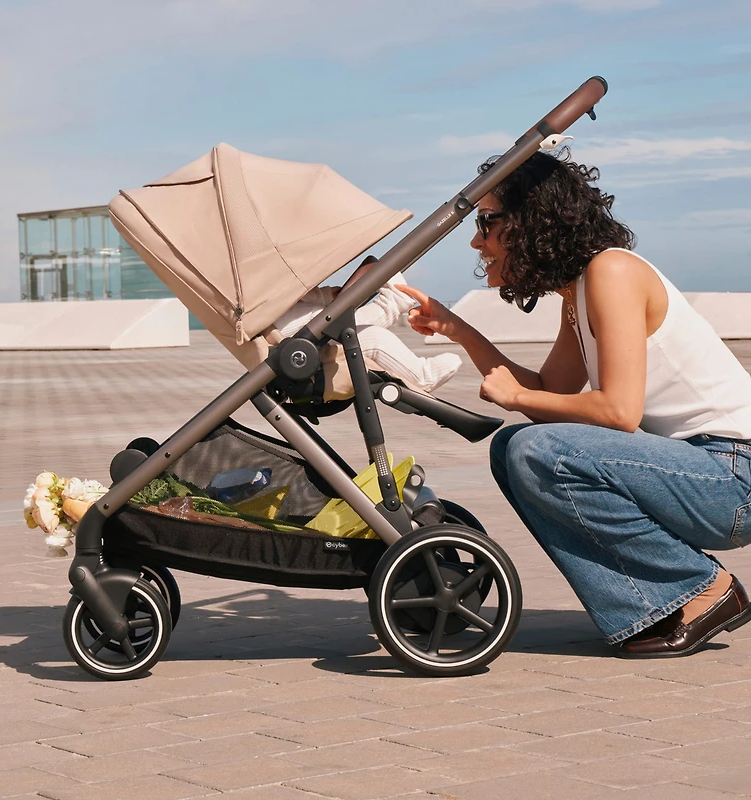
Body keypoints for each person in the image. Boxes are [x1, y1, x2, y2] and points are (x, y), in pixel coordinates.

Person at [398, 149, 751, 658]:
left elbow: (619, 412)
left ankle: (701, 589)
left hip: (733, 478)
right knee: (515, 446)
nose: (477, 240)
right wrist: (457, 329)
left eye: (487, 221)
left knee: (535, 450)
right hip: (701, 472)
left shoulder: (612, 272)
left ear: (531, 220)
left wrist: (517, 395)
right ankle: (659, 599)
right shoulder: (579, 291)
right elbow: (551, 399)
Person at [276, 256, 461, 394]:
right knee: (371, 337)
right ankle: (421, 376)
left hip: (279, 319)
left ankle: (396, 299)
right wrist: (325, 298)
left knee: (349, 323)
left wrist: (325, 296)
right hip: (284, 331)